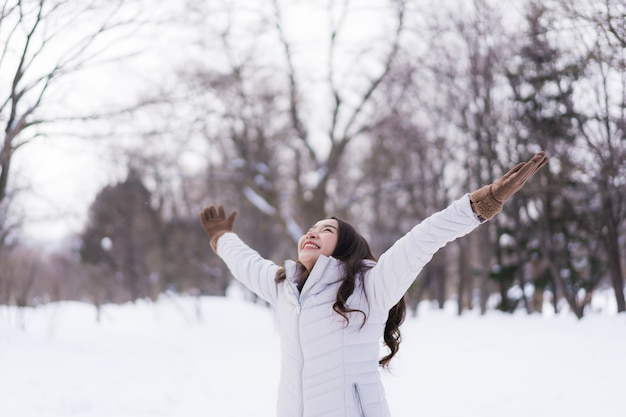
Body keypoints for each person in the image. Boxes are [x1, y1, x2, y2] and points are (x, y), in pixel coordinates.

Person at [200, 152, 549, 417]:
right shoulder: (285, 287)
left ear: (344, 246)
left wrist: (486, 201)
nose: (313, 232)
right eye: (312, 228)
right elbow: (247, 265)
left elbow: (423, 239)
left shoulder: (370, 286)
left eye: (327, 230)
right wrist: (222, 237)